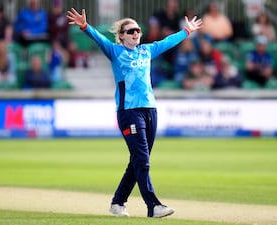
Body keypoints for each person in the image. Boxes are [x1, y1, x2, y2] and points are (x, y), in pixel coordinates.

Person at [67, 7, 202, 218]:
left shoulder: (147, 50)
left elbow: (167, 42)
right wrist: (85, 26)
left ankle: (118, 203)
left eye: (138, 30)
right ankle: (153, 206)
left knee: (139, 160)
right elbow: (98, 39)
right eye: (130, 31)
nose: (136, 34)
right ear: (122, 36)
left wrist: (186, 31)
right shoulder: (115, 51)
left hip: (150, 109)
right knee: (143, 160)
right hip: (128, 112)